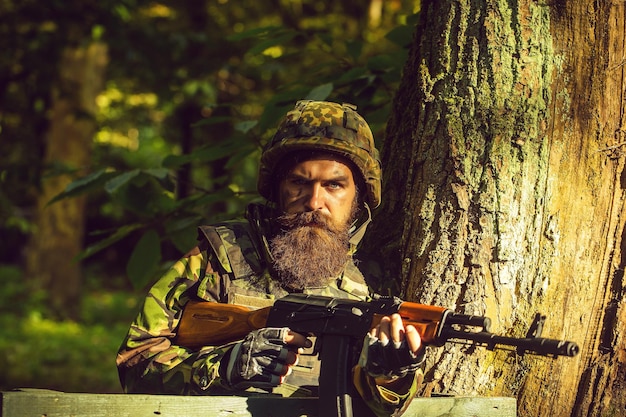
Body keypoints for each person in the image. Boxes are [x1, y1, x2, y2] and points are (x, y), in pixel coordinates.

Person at [116, 100, 424, 417]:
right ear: (277, 188)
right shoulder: (220, 256)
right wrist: (224, 367)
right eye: (299, 182)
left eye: (334, 185)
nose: (314, 201)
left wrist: (390, 377)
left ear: (358, 197)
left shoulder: (372, 284)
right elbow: (135, 364)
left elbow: (383, 408)